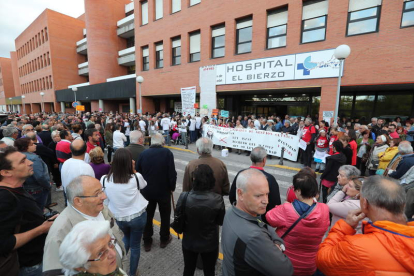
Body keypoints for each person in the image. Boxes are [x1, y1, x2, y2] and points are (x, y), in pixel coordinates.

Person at [316, 176, 414, 275]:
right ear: (403, 205)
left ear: (365, 204)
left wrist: (345, 227)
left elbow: (322, 260)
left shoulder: (357, 247)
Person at [42, 175, 126, 274]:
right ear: (78, 201)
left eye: (102, 190)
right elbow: (53, 272)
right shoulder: (60, 233)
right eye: (97, 194)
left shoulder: (100, 208)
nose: (104, 196)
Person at [221, 169, 293, 276]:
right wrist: (277, 247)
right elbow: (287, 270)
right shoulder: (254, 236)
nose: (266, 201)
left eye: (267, 194)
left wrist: (276, 243)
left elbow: (261, 223)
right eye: (258, 196)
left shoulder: (232, 210)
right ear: (240, 194)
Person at [0, 146, 57, 276]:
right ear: (6, 172)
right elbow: (3, 243)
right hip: (29, 266)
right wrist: (42, 229)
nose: (30, 162)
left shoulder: (15, 189)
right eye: (22, 161)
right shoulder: (5, 198)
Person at [266, 173, 330, 276]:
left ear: (299, 191)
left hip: (286, 262)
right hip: (310, 264)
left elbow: (270, 217)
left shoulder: (287, 209)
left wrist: (283, 206)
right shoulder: (324, 209)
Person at [101, 149, 148, 276]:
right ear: (128, 162)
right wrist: (134, 170)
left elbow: (105, 199)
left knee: (126, 238)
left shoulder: (105, 179)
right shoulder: (136, 177)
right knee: (135, 245)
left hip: (119, 217)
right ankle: (132, 273)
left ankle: (118, 266)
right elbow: (144, 185)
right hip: (138, 216)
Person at [177, 164, 225, 276]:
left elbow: (179, 215)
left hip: (189, 242)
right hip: (210, 243)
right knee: (209, 271)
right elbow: (220, 221)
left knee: (188, 269)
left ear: (194, 179)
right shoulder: (217, 199)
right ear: (211, 179)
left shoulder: (184, 197)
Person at [136, 133, 177, 252]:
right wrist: (172, 187)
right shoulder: (167, 153)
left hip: (147, 191)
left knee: (148, 216)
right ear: (162, 142)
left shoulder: (144, 153)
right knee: (165, 215)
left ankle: (147, 240)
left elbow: (138, 171)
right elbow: (171, 173)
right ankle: (164, 238)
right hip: (163, 191)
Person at [229, 147, 281, 223]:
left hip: (241, 216)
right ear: (264, 159)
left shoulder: (241, 174)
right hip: (261, 220)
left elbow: (232, 196)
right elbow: (275, 204)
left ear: (250, 157)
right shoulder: (270, 179)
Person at [59, 221, 127, 276]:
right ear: (80, 267)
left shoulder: (108, 269)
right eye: (100, 253)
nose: (113, 254)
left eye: (109, 243)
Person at [14, 138, 51, 211]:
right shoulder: (33, 158)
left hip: (25, 187)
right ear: (25, 147)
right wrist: (48, 185)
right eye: (32, 144)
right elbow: (40, 176)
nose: (35, 145)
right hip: (36, 189)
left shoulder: (17, 156)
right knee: (38, 209)